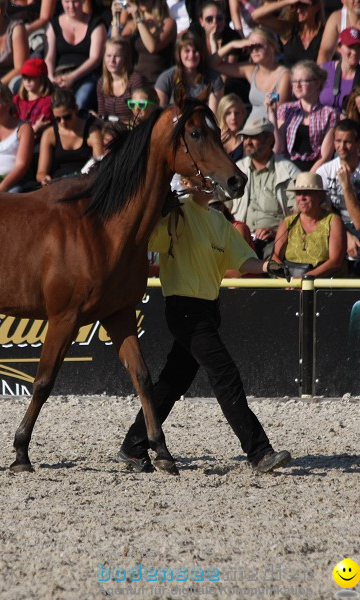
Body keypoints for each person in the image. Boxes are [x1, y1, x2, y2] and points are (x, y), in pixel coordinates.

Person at [115, 169, 291, 475]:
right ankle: (259, 451)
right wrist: (159, 205)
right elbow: (145, 237)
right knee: (225, 374)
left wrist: (266, 265)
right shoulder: (175, 215)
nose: (210, 181)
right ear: (185, 183)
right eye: (201, 176)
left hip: (208, 310)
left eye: (211, 177)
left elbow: (241, 259)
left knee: (172, 383)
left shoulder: (219, 221)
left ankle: (133, 445)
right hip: (184, 310)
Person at [316, 119, 360, 273]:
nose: (341, 147)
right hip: (335, 226)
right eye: (338, 141)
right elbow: (322, 211)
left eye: (347, 142)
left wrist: (346, 186)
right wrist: (345, 235)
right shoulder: (324, 171)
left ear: (359, 142)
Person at [228, 116, 300, 259]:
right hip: (239, 237)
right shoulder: (236, 169)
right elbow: (223, 206)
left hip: (274, 241)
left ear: (269, 140)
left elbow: (299, 212)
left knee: (274, 258)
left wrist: (277, 231)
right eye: (245, 137)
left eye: (253, 137)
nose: (247, 142)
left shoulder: (288, 170)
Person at [270, 172, 347, 277]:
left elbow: (335, 261)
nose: (301, 198)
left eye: (306, 193)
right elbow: (275, 257)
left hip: (321, 286)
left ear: (320, 196)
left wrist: (305, 280)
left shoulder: (333, 221)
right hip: (290, 284)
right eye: (298, 193)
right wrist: (287, 279)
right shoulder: (287, 222)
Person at [210, 27, 290, 118]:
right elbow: (213, 64)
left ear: (272, 47)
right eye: (251, 47)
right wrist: (232, 45)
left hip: (272, 125)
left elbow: (277, 108)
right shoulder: (250, 70)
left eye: (259, 46)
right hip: (251, 126)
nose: (254, 50)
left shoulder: (284, 75)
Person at [274, 60, 337, 172]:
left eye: (303, 81)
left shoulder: (329, 113)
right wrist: (270, 113)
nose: (297, 85)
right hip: (287, 169)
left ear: (317, 83)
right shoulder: (285, 110)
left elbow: (325, 157)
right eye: (294, 81)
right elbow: (278, 148)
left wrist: (308, 178)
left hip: (315, 171)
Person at [44, 0, 106, 111]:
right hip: (60, 75)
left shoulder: (96, 24)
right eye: (67, 2)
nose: (71, 6)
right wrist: (51, 78)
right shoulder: (53, 25)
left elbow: (95, 58)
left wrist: (72, 77)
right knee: (49, 105)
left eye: (75, 1)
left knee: (79, 102)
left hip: (87, 75)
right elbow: (49, 57)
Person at [36, 89, 103, 185]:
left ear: (75, 109)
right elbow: (41, 172)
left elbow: (99, 165)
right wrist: (44, 178)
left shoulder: (92, 132)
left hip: (85, 182)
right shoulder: (49, 134)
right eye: (58, 119)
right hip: (59, 184)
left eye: (67, 117)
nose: (62, 122)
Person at [155, 32, 223, 113]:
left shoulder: (214, 79)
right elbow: (161, 116)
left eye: (195, 51)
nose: (191, 55)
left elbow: (214, 115)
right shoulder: (166, 78)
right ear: (179, 53)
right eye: (187, 51)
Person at [113, 0, 177, 85]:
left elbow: (152, 47)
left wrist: (138, 18)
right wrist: (115, 18)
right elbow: (115, 47)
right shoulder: (132, 25)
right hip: (134, 81)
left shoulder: (168, 23)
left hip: (156, 81)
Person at [318, 27, 360, 113]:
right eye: (350, 47)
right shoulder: (324, 70)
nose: (354, 52)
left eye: (359, 47)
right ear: (339, 48)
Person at [252, 0, 326, 68]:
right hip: (291, 81)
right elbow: (256, 16)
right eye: (295, 6)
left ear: (316, 7)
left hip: (317, 81)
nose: (298, 10)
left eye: (303, 6)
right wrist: (287, 2)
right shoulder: (288, 30)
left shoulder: (326, 33)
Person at [96, 39, 145, 125]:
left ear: (125, 59)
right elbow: (102, 115)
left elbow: (140, 116)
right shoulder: (101, 82)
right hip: (109, 131)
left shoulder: (135, 80)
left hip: (131, 130)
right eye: (108, 55)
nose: (112, 60)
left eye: (117, 56)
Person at [14, 58, 54, 134]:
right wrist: (35, 128)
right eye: (25, 76)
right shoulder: (17, 99)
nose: (27, 80)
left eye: (32, 77)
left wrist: (35, 129)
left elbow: (43, 124)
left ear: (42, 78)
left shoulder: (48, 101)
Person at [215, 93, 247, 161]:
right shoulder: (213, 139)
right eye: (228, 113)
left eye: (237, 113)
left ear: (243, 114)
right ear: (222, 114)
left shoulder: (248, 138)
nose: (233, 118)